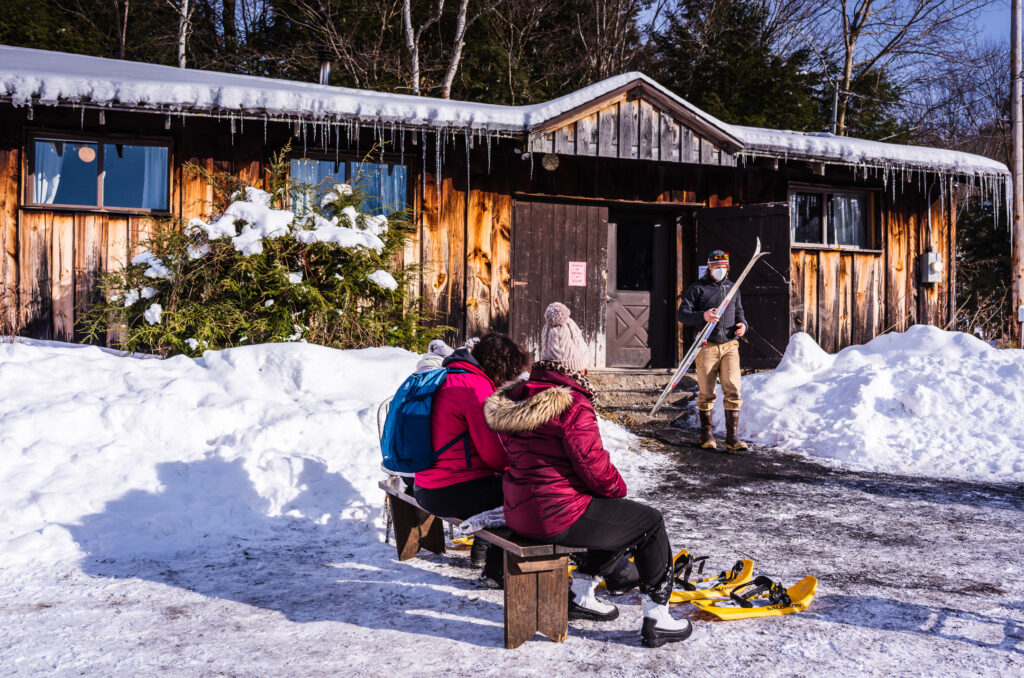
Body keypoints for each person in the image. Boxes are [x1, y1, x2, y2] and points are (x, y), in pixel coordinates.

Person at [484, 302, 692, 648]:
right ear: (575, 363)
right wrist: (616, 488)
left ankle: (581, 594)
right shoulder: (571, 403)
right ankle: (658, 617)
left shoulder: (520, 396)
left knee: (615, 518)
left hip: (520, 509)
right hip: (554, 514)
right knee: (648, 522)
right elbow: (593, 465)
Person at [413, 333, 531, 585]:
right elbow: (497, 457)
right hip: (449, 492)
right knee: (521, 493)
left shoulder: (451, 375)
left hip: (424, 484)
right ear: (502, 369)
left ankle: (484, 556)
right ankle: (497, 571)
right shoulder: (476, 389)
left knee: (497, 488)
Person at [677, 249, 749, 451]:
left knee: (733, 389)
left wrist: (743, 325)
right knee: (706, 391)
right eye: (716, 266)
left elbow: (740, 313)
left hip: (730, 346)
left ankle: (732, 438)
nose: (720, 270)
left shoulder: (733, 288)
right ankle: (706, 434)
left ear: (728, 267)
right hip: (706, 346)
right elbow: (683, 314)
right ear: (709, 267)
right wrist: (703, 316)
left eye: (724, 266)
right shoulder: (697, 289)